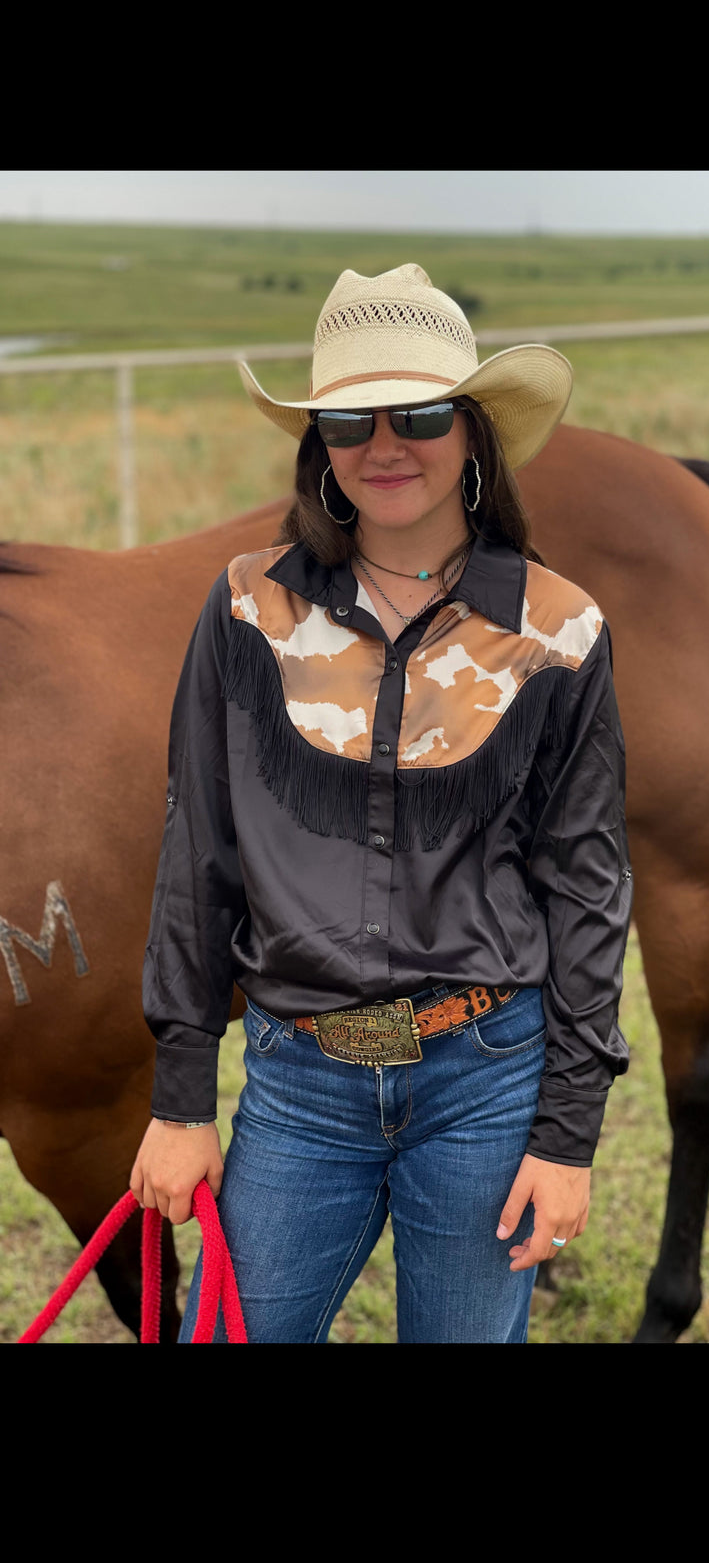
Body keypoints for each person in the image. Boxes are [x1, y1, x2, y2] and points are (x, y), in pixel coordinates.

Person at [130, 261, 632, 1344]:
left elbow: (585, 889)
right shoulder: (243, 609)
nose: (384, 443)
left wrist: (567, 1133)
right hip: (297, 1082)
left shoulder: (560, 629)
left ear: (472, 433)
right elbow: (198, 852)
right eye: (349, 419)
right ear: (320, 444)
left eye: (418, 412)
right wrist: (179, 1101)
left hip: (486, 1079)